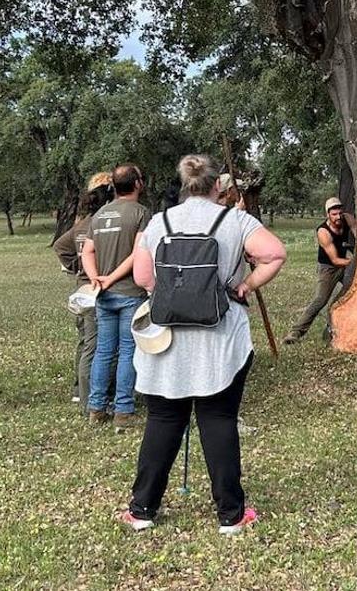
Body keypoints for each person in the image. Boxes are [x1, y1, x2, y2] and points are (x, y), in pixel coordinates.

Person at [119, 154, 287, 534]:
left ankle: (142, 509)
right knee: (219, 420)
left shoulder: (159, 222)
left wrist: (172, 295)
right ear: (218, 187)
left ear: (184, 185)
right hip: (220, 340)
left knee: (163, 420)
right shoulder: (235, 220)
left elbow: (144, 276)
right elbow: (275, 253)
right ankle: (231, 513)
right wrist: (245, 285)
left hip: (168, 340)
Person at [82, 163, 151, 430]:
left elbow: (87, 251)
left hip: (103, 295)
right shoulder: (141, 213)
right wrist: (111, 278)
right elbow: (138, 253)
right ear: (137, 184)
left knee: (103, 350)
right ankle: (123, 410)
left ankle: (96, 408)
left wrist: (95, 278)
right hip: (129, 293)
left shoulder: (99, 214)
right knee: (127, 351)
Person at [53, 172, 114, 411]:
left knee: (85, 341)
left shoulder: (81, 224)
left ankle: (80, 389)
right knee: (97, 343)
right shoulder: (102, 223)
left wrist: (76, 268)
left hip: (82, 288)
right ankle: (93, 397)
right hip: (97, 288)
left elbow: (61, 246)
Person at [283, 197, 355, 345]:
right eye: (334, 214)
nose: (338, 217)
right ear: (327, 214)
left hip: (346, 264)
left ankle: (342, 326)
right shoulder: (323, 231)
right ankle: (295, 332)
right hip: (328, 268)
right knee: (320, 300)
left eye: (339, 213)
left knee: (354, 291)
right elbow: (335, 260)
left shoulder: (347, 218)